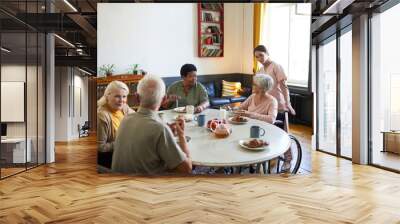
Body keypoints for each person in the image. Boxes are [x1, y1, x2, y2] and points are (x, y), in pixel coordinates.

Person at [111, 75, 192, 175]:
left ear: (137, 97)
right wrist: (181, 135)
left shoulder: (125, 119)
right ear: (163, 100)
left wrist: (167, 131)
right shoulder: (160, 129)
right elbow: (187, 168)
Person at [254, 45, 295, 172]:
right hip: (266, 105)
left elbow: (284, 87)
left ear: (267, 53)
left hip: (280, 105)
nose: (259, 58)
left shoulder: (276, 66)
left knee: (284, 134)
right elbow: (256, 88)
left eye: (261, 55)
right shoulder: (260, 70)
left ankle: (288, 160)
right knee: (267, 132)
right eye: (256, 57)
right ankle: (269, 155)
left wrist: (288, 103)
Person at [97, 81, 135, 170]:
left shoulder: (123, 107)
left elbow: (137, 117)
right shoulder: (101, 116)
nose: (121, 100)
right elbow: (100, 147)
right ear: (107, 96)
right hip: (109, 157)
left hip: (125, 151)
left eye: (124, 96)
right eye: (117, 96)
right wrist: (122, 143)